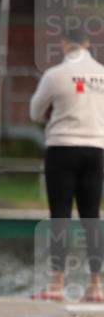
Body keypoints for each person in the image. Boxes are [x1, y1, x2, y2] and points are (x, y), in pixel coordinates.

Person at [29, 27, 104, 302]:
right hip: (96, 150)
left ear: (64, 44)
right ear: (87, 43)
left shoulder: (54, 75)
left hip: (62, 148)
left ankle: (58, 284)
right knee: (92, 217)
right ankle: (96, 286)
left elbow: (35, 112)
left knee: (60, 214)